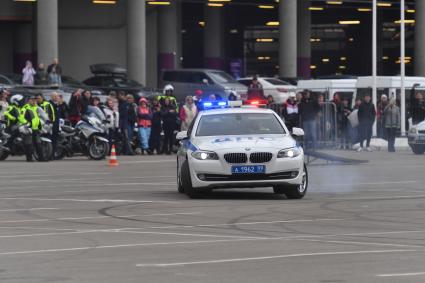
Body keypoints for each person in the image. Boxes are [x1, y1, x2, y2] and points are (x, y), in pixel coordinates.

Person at [20, 96, 43, 162]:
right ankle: (29, 158)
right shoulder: (25, 108)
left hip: (35, 128)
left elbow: (37, 118)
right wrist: (27, 123)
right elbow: (21, 118)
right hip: (28, 128)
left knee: (38, 143)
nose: (34, 101)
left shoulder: (35, 108)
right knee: (28, 143)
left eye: (34, 100)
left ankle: (41, 158)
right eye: (32, 100)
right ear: (28, 101)